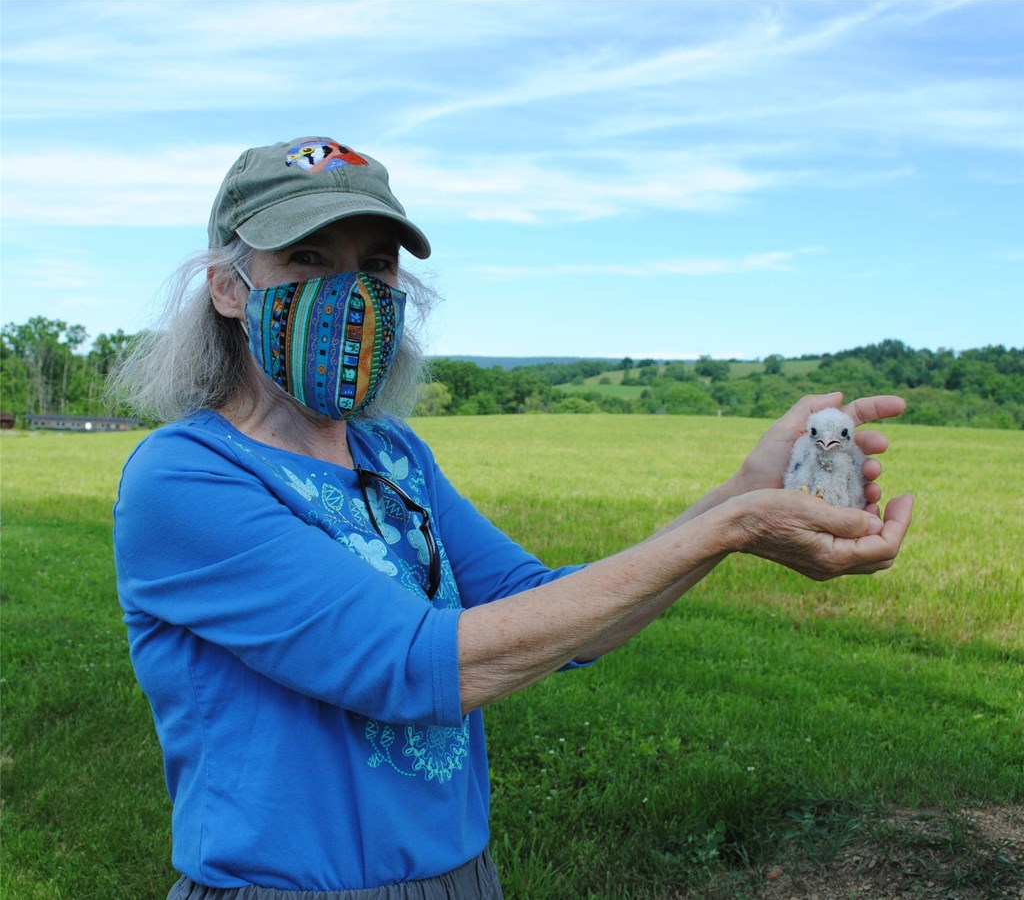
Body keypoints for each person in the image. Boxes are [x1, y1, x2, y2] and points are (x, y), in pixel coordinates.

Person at [111, 136, 913, 900]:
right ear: (226, 285)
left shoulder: (394, 454)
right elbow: (416, 665)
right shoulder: (184, 476)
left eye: (375, 264)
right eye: (308, 258)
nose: (349, 290)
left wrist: (741, 492)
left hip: (462, 876)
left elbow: (555, 613)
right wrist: (731, 528)